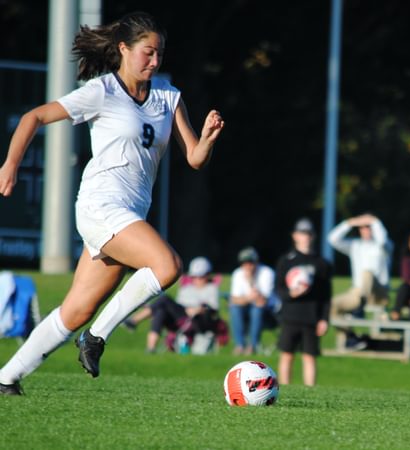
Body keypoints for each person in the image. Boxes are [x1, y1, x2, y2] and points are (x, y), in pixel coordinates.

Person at [0, 12, 224, 395]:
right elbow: (33, 117)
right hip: (100, 206)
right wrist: (10, 164)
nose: (154, 62)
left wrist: (207, 138)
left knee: (76, 310)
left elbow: (194, 159)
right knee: (167, 265)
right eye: (147, 53)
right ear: (124, 48)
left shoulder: (169, 96)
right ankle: (97, 337)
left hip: (130, 214)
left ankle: (6, 377)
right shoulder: (101, 91)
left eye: (160, 54)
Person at [275, 218, 332, 386]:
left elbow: (326, 294)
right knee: (287, 354)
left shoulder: (321, 263)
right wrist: (291, 293)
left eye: (308, 234)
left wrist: (324, 318)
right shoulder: (286, 261)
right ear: (294, 236)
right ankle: (284, 387)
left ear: (313, 236)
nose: (305, 237)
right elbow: (278, 289)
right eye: (301, 234)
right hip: (290, 315)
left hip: (311, 317)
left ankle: (310, 390)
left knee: (310, 356)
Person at [123, 256, 220, 353]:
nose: (197, 279)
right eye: (194, 277)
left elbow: (213, 309)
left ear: (207, 275)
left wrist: (198, 309)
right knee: (161, 311)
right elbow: (179, 305)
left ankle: (135, 320)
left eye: (201, 276)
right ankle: (150, 348)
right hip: (181, 316)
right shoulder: (186, 289)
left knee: (164, 300)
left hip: (197, 321)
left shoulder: (211, 289)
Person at [328, 213, 393, 347]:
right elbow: (332, 239)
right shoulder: (355, 245)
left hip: (379, 293)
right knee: (332, 305)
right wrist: (349, 223)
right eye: (362, 227)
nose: (366, 230)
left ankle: (359, 310)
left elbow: (382, 238)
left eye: (369, 226)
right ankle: (350, 338)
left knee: (367, 273)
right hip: (357, 293)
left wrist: (375, 220)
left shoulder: (385, 246)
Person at [229, 246, 276, 355]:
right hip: (245, 308)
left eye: (250, 262)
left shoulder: (267, 272)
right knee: (235, 309)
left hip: (268, 312)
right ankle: (239, 345)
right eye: (244, 263)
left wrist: (250, 280)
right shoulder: (237, 274)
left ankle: (253, 345)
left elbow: (262, 301)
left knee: (256, 309)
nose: (248, 266)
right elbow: (234, 300)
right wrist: (249, 298)